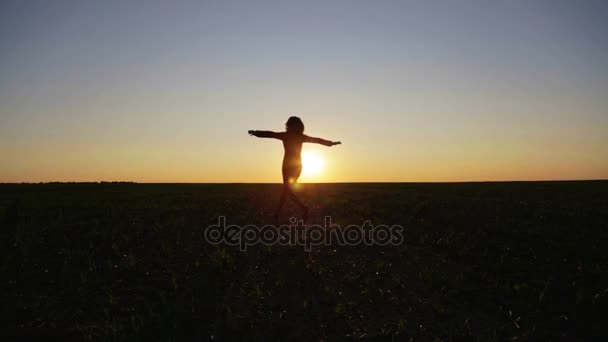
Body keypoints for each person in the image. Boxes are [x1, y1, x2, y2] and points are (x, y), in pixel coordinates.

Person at [248, 116, 341, 222]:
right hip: (288, 166)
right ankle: (299, 209)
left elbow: (317, 140)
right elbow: (270, 134)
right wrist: (255, 133)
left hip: (294, 166)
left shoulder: (296, 136)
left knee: (286, 189)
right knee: (287, 190)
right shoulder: (289, 136)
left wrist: (330, 143)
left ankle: (281, 212)